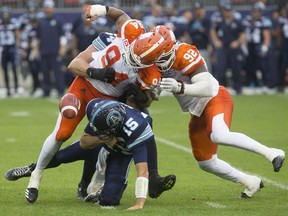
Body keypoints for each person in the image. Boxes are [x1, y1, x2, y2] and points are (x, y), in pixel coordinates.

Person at [24, 4, 174, 203]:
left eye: (138, 62)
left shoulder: (151, 72)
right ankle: (36, 175)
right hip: (85, 85)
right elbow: (74, 64)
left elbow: (146, 101)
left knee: (95, 143)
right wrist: (102, 10)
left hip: (106, 101)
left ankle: (93, 186)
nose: (131, 60)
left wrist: (141, 96)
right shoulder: (126, 33)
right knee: (62, 133)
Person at [153, 25, 285, 198]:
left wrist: (179, 87)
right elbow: (151, 94)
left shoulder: (184, 52)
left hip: (214, 97)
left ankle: (272, 152)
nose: (161, 58)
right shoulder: (151, 60)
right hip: (196, 109)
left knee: (219, 135)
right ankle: (249, 181)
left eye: (164, 52)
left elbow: (206, 88)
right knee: (205, 161)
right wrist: (152, 91)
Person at [210, 3, 246, 95]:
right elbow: (213, 31)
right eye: (226, 11)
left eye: (229, 11)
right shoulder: (220, 21)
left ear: (232, 12)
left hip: (234, 49)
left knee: (236, 69)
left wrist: (237, 42)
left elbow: (243, 34)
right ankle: (221, 90)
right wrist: (216, 41)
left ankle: (238, 89)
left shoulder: (237, 22)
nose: (227, 13)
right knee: (221, 69)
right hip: (223, 48)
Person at [35, 0, 66, 97]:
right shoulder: (41, 22)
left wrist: (62, 47)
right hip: (44, 51)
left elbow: (62, 36)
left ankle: (60, 90)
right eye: (46, 7)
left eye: (49, 7)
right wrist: (35, 49)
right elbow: (38, 38)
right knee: (45, 73)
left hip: (55, 51)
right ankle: (46, 91)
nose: (47, 9)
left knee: (57, 72)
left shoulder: (57, 20)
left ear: (53, 8)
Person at [0, 6, 21, 97]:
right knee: (4, 70)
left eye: (7, 15)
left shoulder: (13, 24)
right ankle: (8, 89)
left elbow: (17, 36)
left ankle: (16, 88)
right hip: (3, 48)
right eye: (4, 15)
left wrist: (19, 47)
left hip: (12, 48)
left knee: (13, 68)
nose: (5, 16)